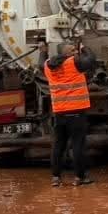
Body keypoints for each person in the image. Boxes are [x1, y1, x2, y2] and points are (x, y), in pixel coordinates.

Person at [41, 40, 96, 187]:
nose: (76, 52)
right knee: (78, 145)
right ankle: (80, 177)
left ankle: (55, 178)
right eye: (72, 50)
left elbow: (42, 62)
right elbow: (91, 60)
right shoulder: (74, 63)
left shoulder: (48, 66)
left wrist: (42, 51)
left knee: (58, 145)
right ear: (66, 53)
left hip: (59, 113)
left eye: (76, 50)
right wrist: (85, 48)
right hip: (76, 112)